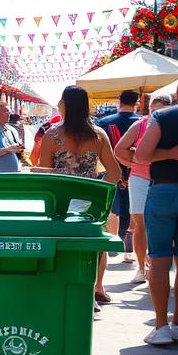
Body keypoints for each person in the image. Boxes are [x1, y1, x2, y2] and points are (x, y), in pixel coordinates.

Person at [38, 85, 121, 306]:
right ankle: (93, 289)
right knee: (93, 244)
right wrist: (98, 190)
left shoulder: (52, 135)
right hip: (90, 201)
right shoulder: (98, 135)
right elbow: (115, 173)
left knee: (62, 244)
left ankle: (64, 288)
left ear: (64, 105)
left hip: (60, 200)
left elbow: (45, 172)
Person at [134, 76, 178, 344]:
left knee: (158, 257)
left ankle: (161, 327)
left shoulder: (164, 116)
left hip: (164, 191)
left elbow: (141, 156)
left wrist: (169, 154)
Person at [115, 93, 172, 289]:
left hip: (167, 179)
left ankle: (157, 264)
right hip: (140, 178)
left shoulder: (174, 124)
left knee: (166, 222)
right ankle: (141, 267)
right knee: (140, 222)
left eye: (159, 111)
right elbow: (119, 149)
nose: (154, 114)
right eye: (151, 111)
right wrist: (134, 163)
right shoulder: (141, 125)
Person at [99, 90, 142, 264]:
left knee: (111, 210)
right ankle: (130, 250)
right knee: (134, 212)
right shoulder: (143, 123)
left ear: (119, 101)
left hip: (109, 171)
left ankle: (113, 241)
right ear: (137, 102)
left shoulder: (103, 122)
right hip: (137, 173)